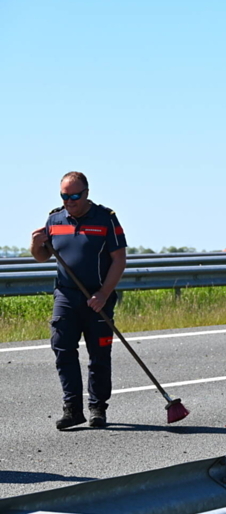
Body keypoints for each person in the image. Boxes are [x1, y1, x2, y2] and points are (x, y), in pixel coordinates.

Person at [30, 172, 127, 430]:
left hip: (97, 296)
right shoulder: (54, 218)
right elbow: (41, 257)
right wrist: (35, 244)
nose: (70, 201)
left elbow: (119, 259)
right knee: (62, 349)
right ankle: (72, 408)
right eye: (65, 196)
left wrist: (104, 294)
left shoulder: (106, 218)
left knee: (99, 354)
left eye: (75, 195)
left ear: (86, 193)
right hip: (66, 295)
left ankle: (97, 408)